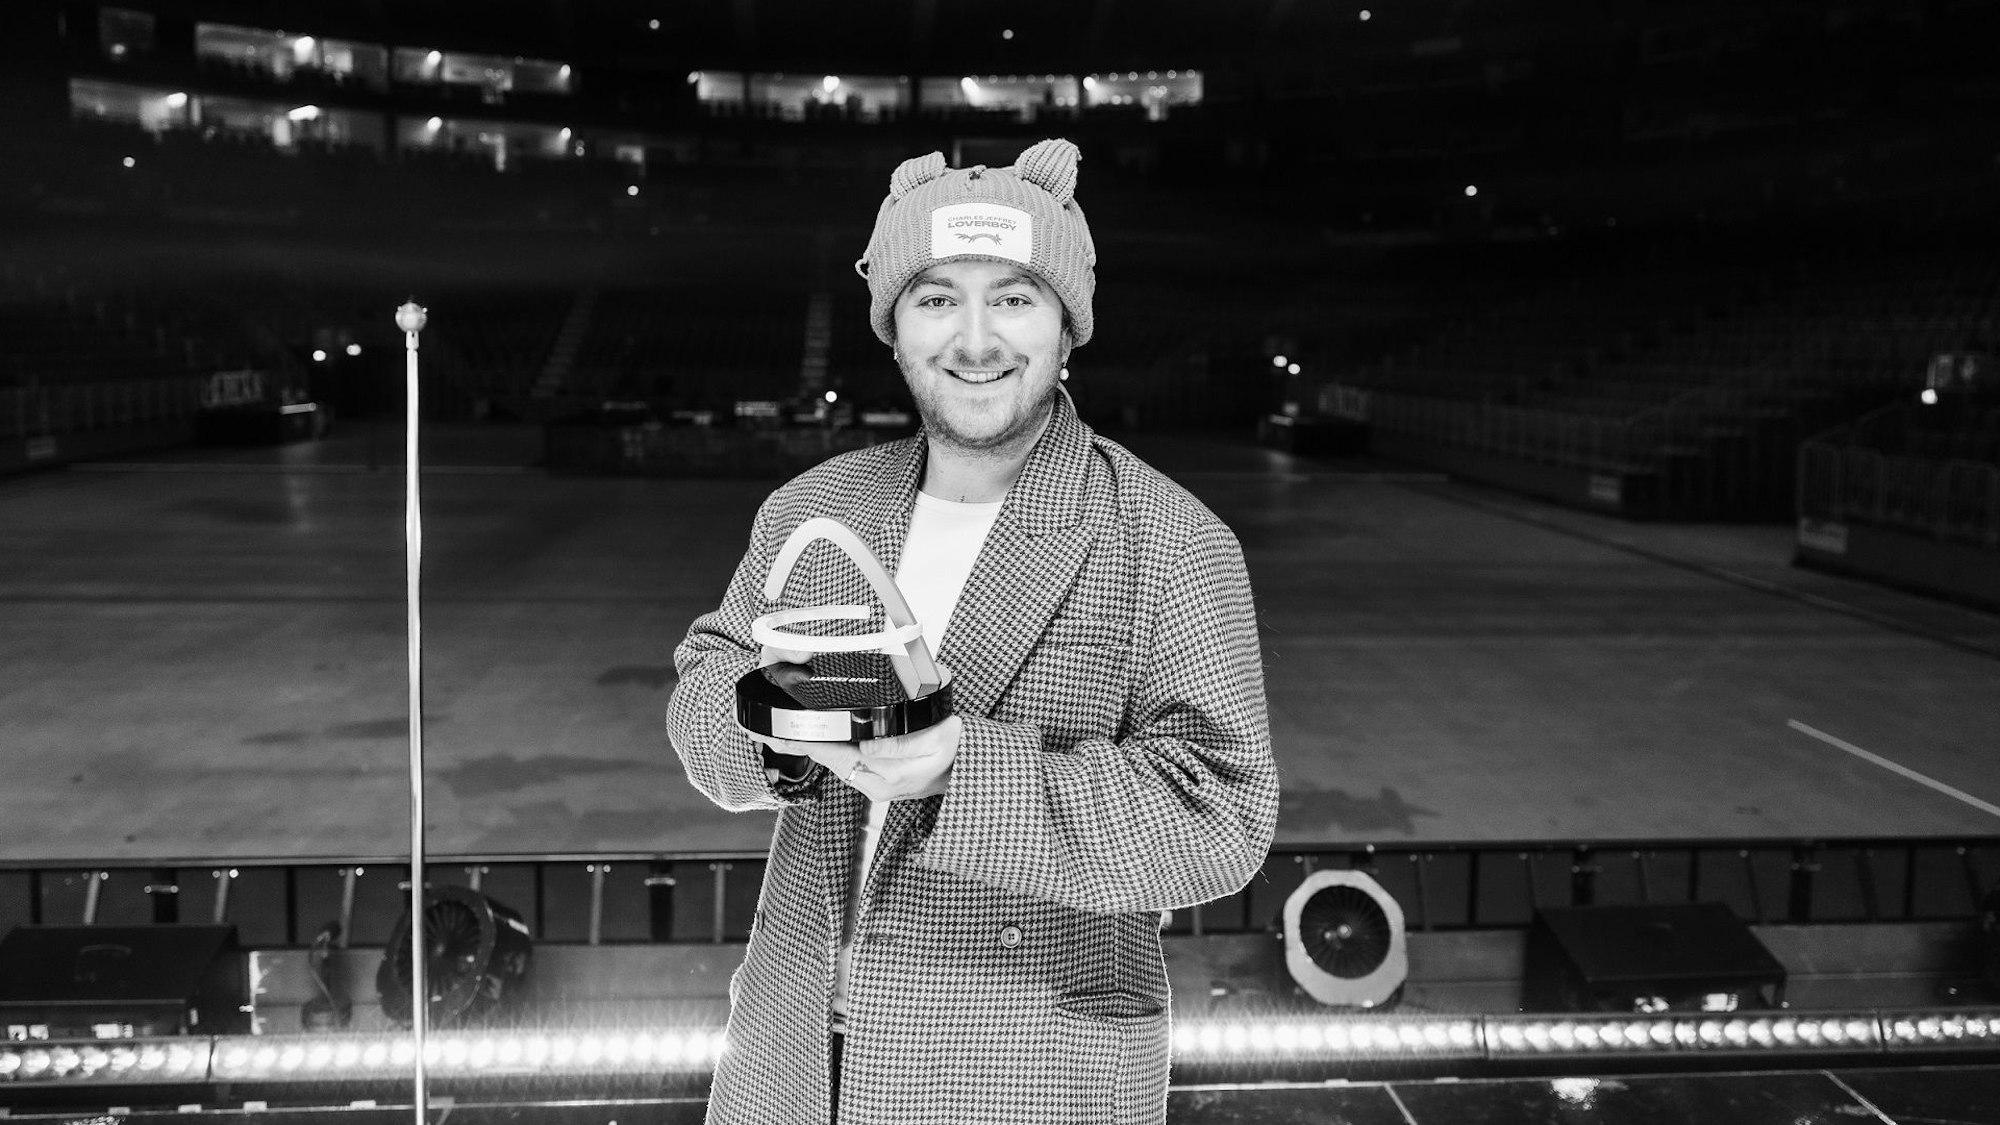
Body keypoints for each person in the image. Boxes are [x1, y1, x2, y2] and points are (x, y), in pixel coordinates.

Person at [666, 138, 1278, 1125]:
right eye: (938, 296)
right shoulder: (814, 509)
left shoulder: (1166, 540)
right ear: (895, 326)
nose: (975, 338)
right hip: (790, 1062)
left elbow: (1218, 819)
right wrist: (768, 727)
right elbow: (707, 681)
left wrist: (960, 769)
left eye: (1014, 297)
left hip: (1021, 1068)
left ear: (1067, 324)